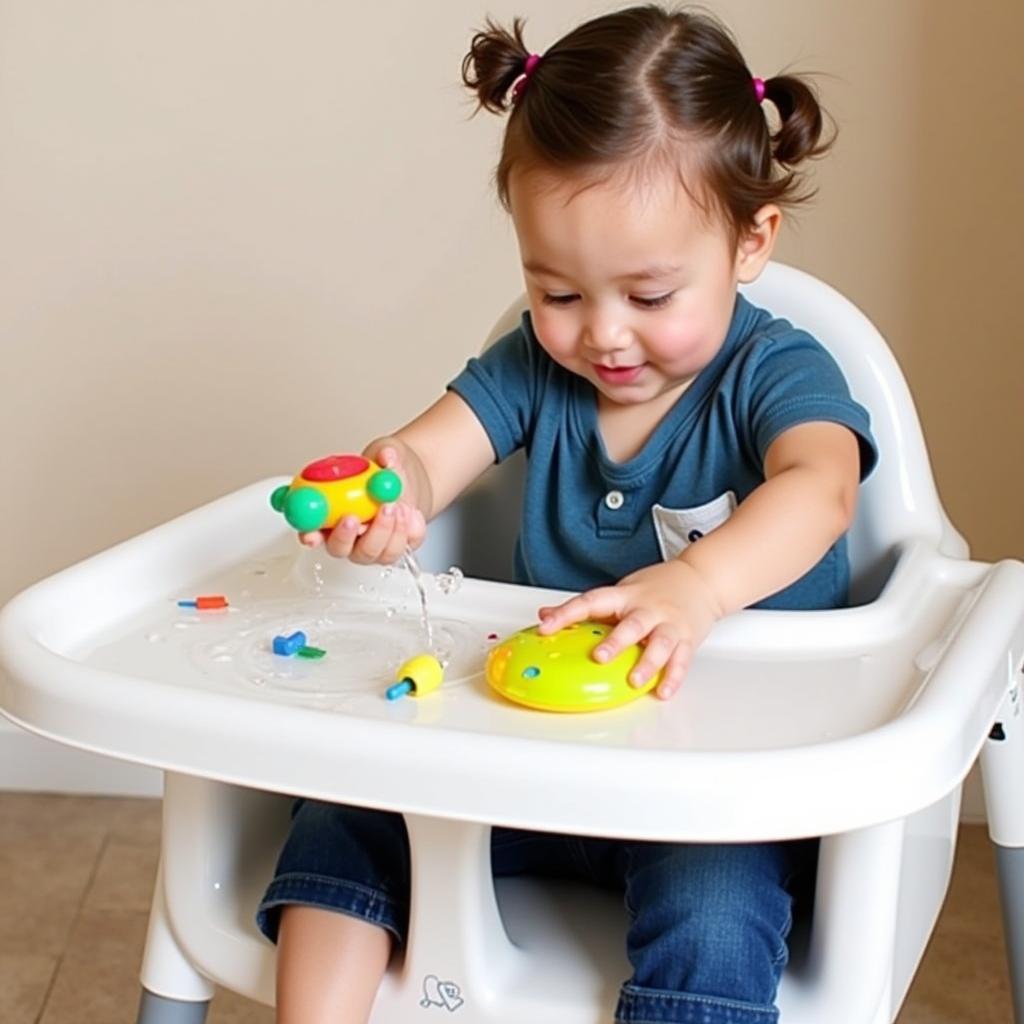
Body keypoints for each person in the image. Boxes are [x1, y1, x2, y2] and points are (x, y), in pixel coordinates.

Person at [258, 6, 878, 1022]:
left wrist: (697, 585)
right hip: (532, 757)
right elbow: (425, 453)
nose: (602, 335)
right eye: (555, 292)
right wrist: (387, 495)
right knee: (348, 813)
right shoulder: (531, 374)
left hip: (712, 791)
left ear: (750, 239)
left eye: (648, 294)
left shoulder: (775, 372)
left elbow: (821, 488)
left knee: (715, 920)